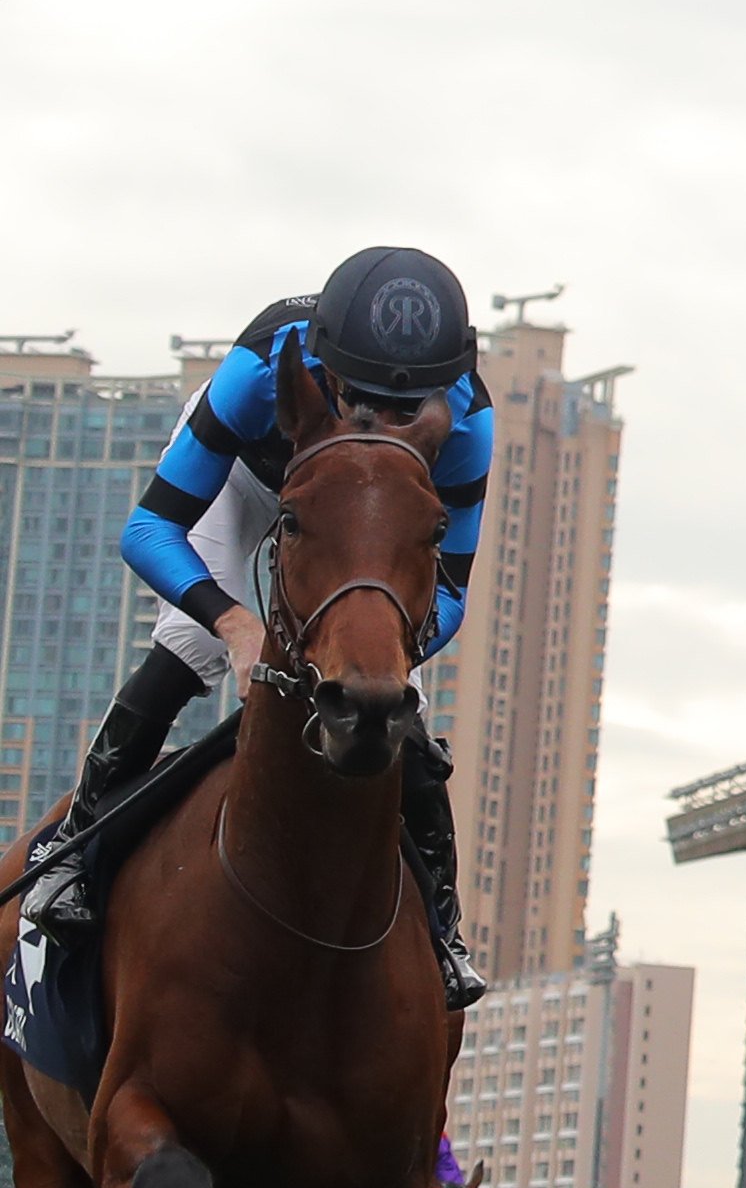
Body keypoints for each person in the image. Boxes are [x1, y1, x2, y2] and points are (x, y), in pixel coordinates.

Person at [25, 247, 496, 1008]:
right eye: (359, 402)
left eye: (408, 413)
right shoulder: (261, 365)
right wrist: (239, 626)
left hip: (368, 525)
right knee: (185, 649)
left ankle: (442, 927)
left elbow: (450, 598)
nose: (379, 424)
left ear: (444, 397)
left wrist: (367, 645)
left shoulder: (469, 422)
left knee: (397, 703)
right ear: (324, 369)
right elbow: (148, 530)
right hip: (248, 482)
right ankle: (69, 861)